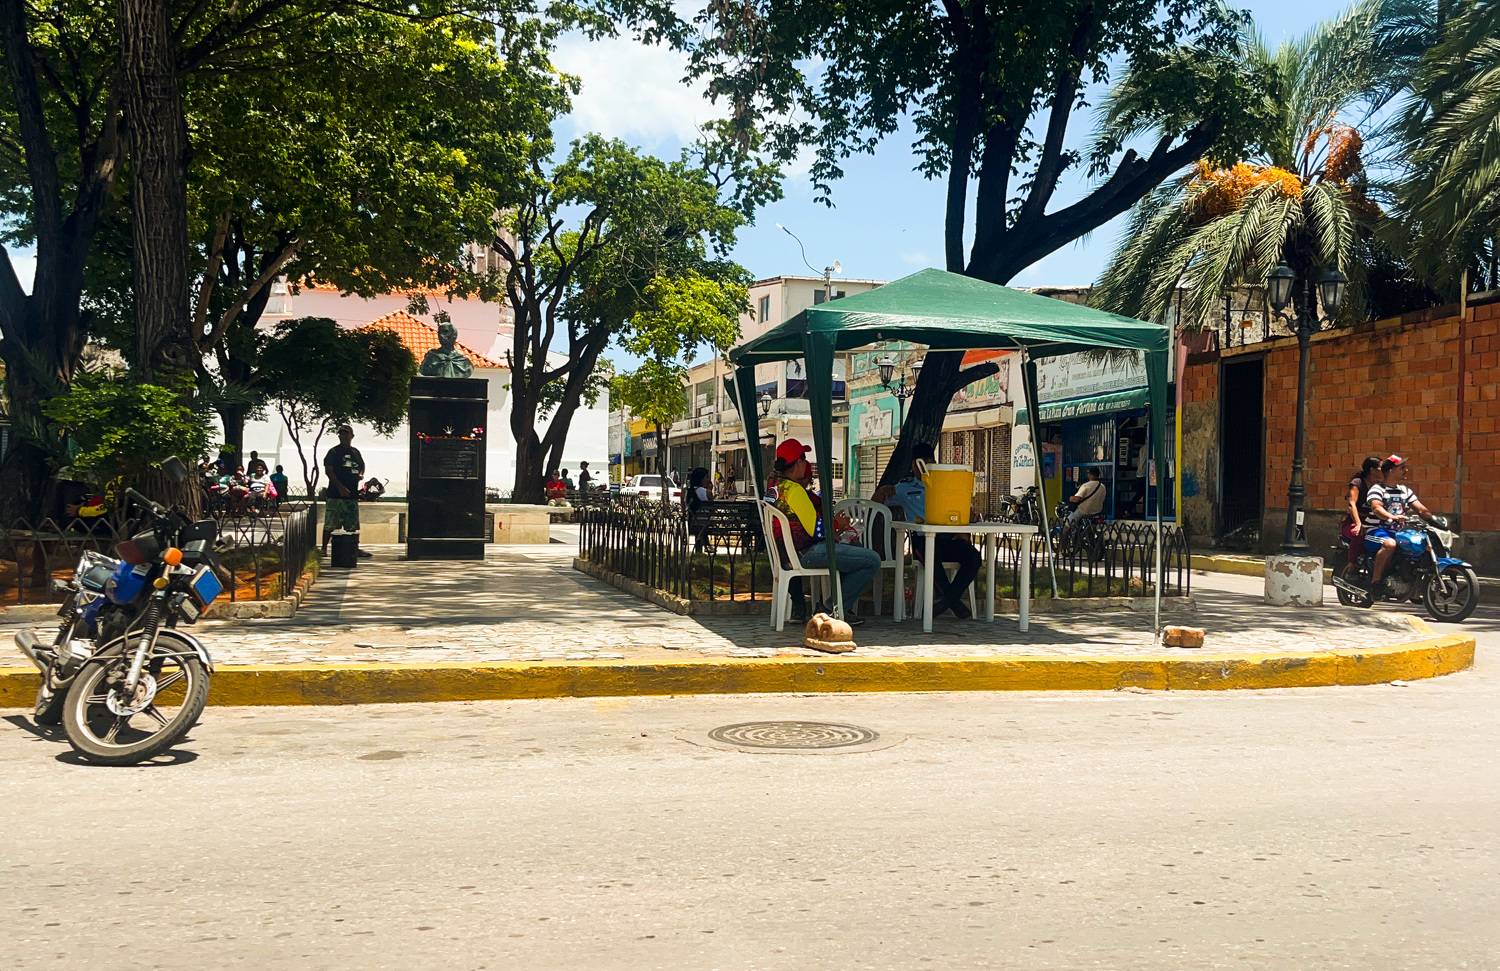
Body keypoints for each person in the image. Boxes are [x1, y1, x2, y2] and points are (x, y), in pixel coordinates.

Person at [770, 438, 881, 625]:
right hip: (806, 553)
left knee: (854, 552)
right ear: (798, 462)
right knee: (871, 560)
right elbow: (817, 530)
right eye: (804, 459)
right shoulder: (795, 491)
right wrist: (837, 524)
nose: (806, 463)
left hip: (784, 554)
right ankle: (830, 609)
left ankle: (839, 608)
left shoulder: (773, 487)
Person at [877, 442, 980, 619]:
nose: (926, 466)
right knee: (931, 557)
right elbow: (876, 504)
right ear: (914, 465)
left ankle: (947, 601)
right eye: (922, 463)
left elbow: (965, 512)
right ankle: (953, 603)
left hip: (949, 538)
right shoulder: (904, 488)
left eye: (930, 462)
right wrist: (882, 490)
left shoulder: (945, 484)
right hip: (923, 540)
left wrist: (969, 515)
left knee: (973, 557)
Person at [1363, 454, 1435, 593]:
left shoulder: (1405, 490)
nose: (1405, 470)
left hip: (1398, 532)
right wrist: (1391, 516)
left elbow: (1421, 509)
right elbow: (1376, 508)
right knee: (1390, 544)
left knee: (1421, 544)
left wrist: (1435, 521)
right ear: (1391, 470)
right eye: (1402, 468)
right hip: (1375, 530)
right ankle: (1375, 582)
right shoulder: (1377, 489)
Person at [322, 424, 371, 559]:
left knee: (353, 525)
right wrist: (340, 487)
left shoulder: (355, 452)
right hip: (335, 495)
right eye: (341, 434)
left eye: (346, 433)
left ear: (352, 436)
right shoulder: (333, 452)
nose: (343, 436)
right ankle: (324, 548)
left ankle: (354, 548)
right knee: (330, 523)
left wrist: (360, 475)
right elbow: (329, 471)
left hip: (352, 495)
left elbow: (362, 466)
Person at [1342, 456, 1382, 567]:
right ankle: (1352, 565)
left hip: (1374, 523)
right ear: (1372, 470)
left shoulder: (1379, 486)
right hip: (1353, 522)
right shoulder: (1358, 483)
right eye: (1380, 468)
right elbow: (1352, 504)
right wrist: (1358, 524)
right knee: (1359, 533)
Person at [1062, 466, 1107, 547]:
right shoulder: (1103, 487)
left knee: (1066, 525)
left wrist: (1070, 498)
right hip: (1097, 512)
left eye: (1088, 474)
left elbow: (1077, 499)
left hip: (1083, 511)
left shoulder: (1086, 485)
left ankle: (1062, 546)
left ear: (1090, 475)